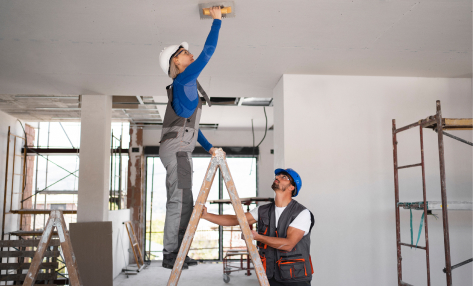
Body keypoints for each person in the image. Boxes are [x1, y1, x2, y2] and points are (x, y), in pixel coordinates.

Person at [157, 7, 223, 270]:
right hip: (177, 150)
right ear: (176, 63)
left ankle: (178, 251)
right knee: (179, 201)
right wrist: (217, 21)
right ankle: (171, 254)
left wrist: (207, 147)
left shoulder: (185, 86)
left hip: (177, 148)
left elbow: (192, 129)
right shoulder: (184, 80)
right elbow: (208, 53)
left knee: (184, 201)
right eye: (184, 53)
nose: (190, 54)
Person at [202, 168, 315, 285]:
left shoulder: (301, 213)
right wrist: (206, 216)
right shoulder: (262, 210)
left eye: (284, 177)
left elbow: (288, 244)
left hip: (296, 278)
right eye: (278, 175)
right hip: (270, 276)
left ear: (292, 187)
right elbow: (236, 219)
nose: (278, 177)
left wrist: (257, 237)